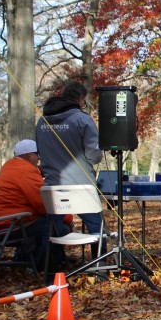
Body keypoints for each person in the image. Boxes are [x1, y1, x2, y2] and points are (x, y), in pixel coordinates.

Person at [35, 81, 104, 259]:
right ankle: (100, 266)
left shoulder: (42, 122)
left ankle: (46, 266)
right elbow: (94, 155)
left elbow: (40, 152)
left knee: (51, 228)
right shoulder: (82, 119)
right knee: (96, 227)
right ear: (80, 98)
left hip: (53, 187)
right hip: (82, 186)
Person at [0, 139, 50, 269]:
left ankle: (29, 259)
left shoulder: (9, 167)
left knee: (44, 223)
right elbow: (44, 205)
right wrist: (68, 220)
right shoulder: (26, 171)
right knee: (56, 226)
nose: (39, 158)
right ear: (29, 155)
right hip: (8, 226)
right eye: (37, 154)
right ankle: (42, 265)